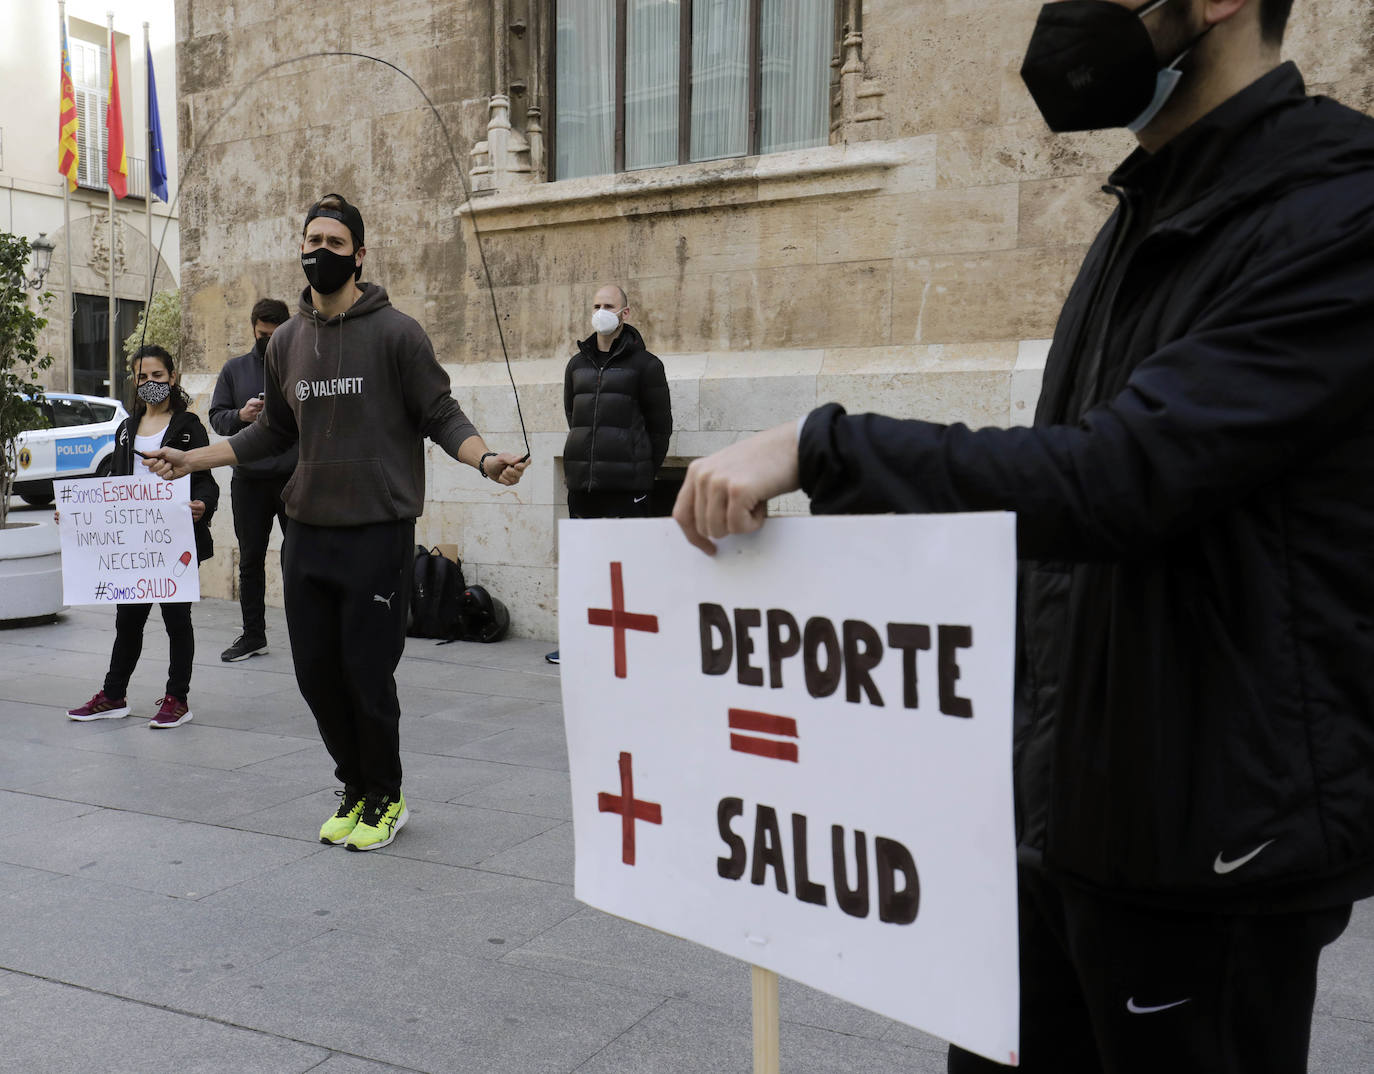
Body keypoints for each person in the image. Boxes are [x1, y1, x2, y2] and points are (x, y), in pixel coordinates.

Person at [673, 1, 1374, 1071]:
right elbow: (1054, 491)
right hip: (1055, 832)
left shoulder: (1337, 211)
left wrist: (825, 448)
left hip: (1205, 861)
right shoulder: (1145, 206)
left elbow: (1119, 477)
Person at [144, 193, 528, 852]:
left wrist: (486, 459)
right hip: (308, 533)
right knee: (315, 673)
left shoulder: (398, 334)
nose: (320, 252)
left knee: (366, 671)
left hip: (377, 532)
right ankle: (353, 785)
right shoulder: (287, 342)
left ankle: (386, 794)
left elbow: (440, 415)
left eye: (334, 243)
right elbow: (270, 434)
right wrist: (191, 457)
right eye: (312, 240)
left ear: (359, 255)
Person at [67, 345, 219, 729]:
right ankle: (113, 695)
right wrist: (75, 512)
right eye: (142, 377)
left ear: (171, 378)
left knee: (176, 620)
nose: (149, 383)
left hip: (174, 541)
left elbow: (205, 481)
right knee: (128, 622)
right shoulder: (125, 429)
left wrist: (201, 503)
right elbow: (111, 485)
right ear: (134, 382)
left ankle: (177, 698)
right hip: (134, 545)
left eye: (157, 376)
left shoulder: (189, 427)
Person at [546, 283, 672, 665]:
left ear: (625, 313)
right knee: (585, 569)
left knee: (631, 568)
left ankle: (637, 646)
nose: (601, 311)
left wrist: (643, 474)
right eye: (597, 305)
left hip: (627, 486)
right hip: (584, 485)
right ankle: (581, 643)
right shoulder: (577, 365)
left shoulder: (646, 366)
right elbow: (575, 416)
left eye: (609, 305)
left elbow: (660, 427)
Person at [208, 297, 294, 662]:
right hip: (249, 479)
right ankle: (253, 635)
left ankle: (310, 634)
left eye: (275, 335)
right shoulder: (234, 369)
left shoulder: (302, 364)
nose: (268, 341)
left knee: (302, 559)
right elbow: (217, 418)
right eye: (262, 335)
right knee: (250, 561)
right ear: (253, 328)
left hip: (294, 476)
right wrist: (242, 415)